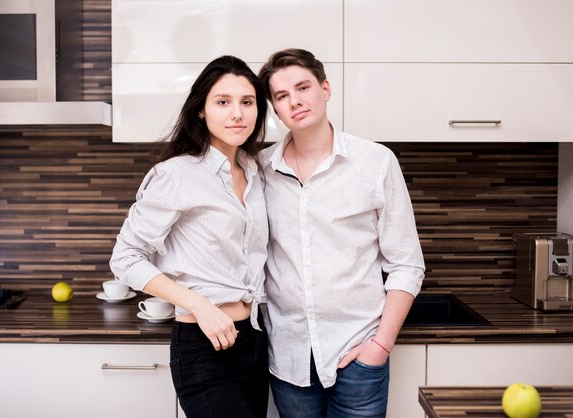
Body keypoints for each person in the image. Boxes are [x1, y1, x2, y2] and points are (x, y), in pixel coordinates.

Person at [257, 48, 426, 418]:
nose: (295, 101)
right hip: (288, 360)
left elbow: (407, 264)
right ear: (274, 108)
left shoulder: (376, 163)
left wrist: (380, 346)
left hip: (359, 353)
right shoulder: (260, 170)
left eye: (303, 87)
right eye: (282, 96)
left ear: (325, 89)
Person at [109, 55, 270, 418]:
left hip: (255, 341)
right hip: (203, 346)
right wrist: (199, 305)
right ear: (201, 110)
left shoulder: (255, 171)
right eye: (223, 102)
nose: (237, 114)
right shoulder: (177, 175)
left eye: (247, 102)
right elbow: (125, 258)